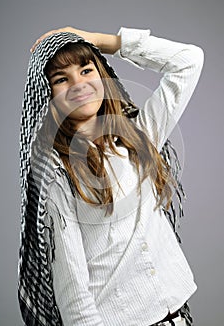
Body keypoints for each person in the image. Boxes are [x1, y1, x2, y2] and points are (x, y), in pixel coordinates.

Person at [18, 26, 204, 326]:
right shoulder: (58, 177)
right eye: (61, 79)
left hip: (178, 315)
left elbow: (189, 61)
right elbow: (73, 292)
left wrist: (103, 41)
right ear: (49, 97)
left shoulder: (140, 136)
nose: (78, 84)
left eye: (86, 70)